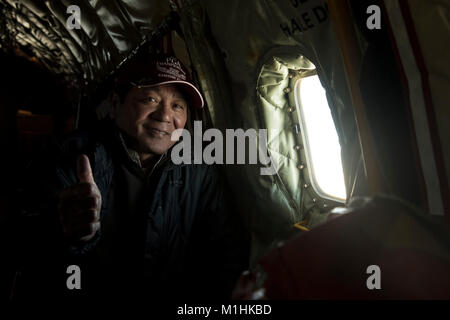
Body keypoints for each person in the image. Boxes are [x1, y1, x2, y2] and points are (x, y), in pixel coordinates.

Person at [13, 53, 247, 303]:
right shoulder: (73, 158)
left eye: (177, 105)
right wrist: (72, 235)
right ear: (115, 104)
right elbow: (25, 245)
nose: (165, 115)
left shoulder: (199, 171)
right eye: (150, 98)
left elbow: (225, 252)